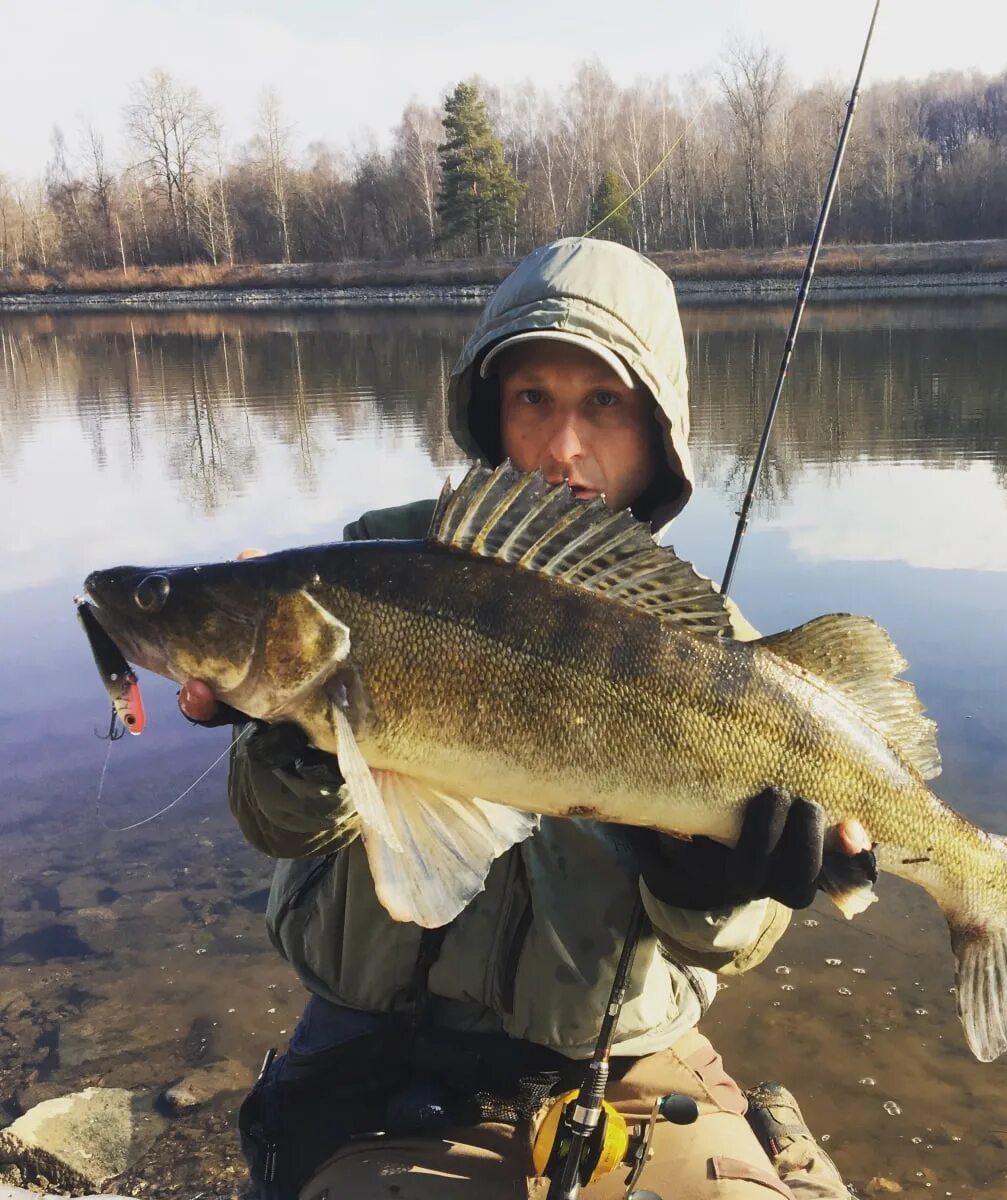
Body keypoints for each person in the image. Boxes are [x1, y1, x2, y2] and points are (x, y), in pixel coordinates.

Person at [179, 238, 872, 1200]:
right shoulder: (369, 572)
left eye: (605, 403)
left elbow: (725, 946)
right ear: (491, 413)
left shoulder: (726, 658)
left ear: (660, 431)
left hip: (617, 1064)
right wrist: (295, 745)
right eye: (532, 398)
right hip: (377, 1043)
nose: (562, 447)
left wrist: (714, 881)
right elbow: (280, 829)